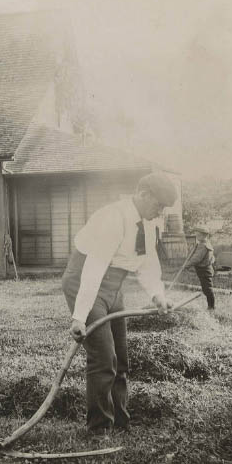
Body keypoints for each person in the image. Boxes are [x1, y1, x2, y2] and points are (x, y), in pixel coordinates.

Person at [62, 172, 177, 434]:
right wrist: (79, 316)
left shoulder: (146, 223)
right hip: (85, 282)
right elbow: (94, 268)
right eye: (157, 205)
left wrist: (158, 295)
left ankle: (121, 422)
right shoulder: (113, 217)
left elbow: (147, 264)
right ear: (143, 194)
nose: (159, 212)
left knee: (120, 358)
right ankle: (99, 429)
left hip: (114, 287)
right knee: (103, 357)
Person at [186, 227, 216, 310]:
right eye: (196, 235)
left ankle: (211, 306)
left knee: (207, 289)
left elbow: (197, 258)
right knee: (206, 288)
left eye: (199, 235)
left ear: (205, 235)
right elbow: (212, 258)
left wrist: (187, 265)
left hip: (204, 270)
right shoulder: (205, 244)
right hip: (204, 269)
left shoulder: (204, 246)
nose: (197, 237)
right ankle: (211, 305)